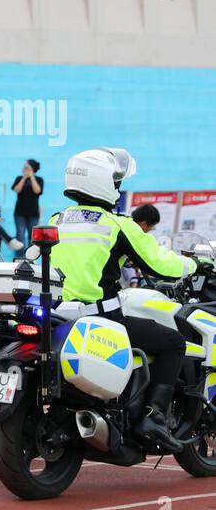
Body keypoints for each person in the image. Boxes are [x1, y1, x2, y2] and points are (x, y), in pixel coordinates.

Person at [50, 148, 199, 452]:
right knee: (172, 341)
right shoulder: (116, 225)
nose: (118, 189)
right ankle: (152, 415)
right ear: (103, 183)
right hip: (101, 319)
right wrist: (195, 265)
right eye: (116, 182)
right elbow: (161, 265)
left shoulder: (55, 219)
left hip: (57, 317)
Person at [11, 158, 43, 246]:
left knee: (32, 237)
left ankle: (31, 258)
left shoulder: (39, 179)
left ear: (32, 169)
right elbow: (17, 189)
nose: (24, 168)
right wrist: (25, 177)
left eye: (27, 167)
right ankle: (19, 257)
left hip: (33, 213)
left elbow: (37, 191)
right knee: (20, 235)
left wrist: (31, 176)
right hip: (20, 212)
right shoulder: (19, 178)